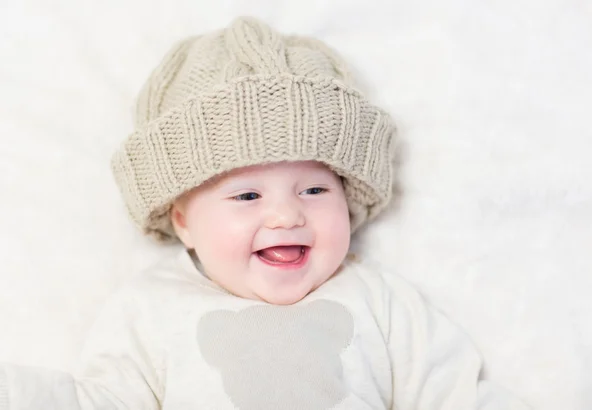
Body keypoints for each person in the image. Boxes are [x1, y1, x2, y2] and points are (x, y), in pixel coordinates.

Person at [0, 16, 529, 410]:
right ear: (181, 219)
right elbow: (104, 401)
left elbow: (452, 393)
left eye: (315, 190)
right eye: (247, 196)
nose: (285, 216)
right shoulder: (150, 307)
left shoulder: (381, 301)